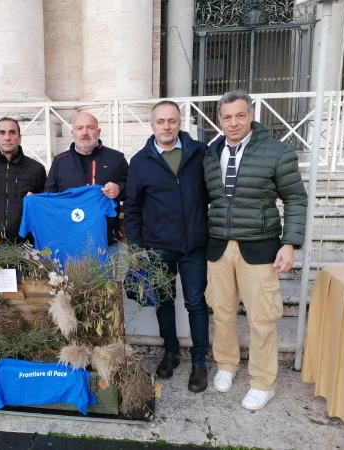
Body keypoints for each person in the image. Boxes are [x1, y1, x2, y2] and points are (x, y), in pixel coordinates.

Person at [203, 90, 307, 410]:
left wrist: (289, 243)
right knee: (222, 311)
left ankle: (263, 381)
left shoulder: (277, 152)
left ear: (251, 115)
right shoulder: (210, 153)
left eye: (239, 115)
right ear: (219, 120)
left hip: (260, 247)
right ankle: (226, 365)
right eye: (226, 117)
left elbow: (295, 198)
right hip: (219, 246)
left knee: (262, 316)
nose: (233, 122)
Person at [124, 100, 210, 393]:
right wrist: (135, 246)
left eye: (172, 121)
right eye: (161, 121)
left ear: (179, 123)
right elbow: (132, 207)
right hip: (158, 245)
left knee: (196, 302)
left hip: (195, 245)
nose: (166, 126)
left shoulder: (199, 153)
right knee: (164, 300)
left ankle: (199, 361)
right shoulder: (140, 161)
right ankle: (170, 352)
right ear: (152, 126)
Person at [45, 112, 128, 247]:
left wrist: (119, 189)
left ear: (98, 132)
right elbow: (50, 196)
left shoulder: (116, 158)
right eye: (79, 128)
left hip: (107, 240)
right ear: (73, 133)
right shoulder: (60, 162)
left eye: (90, 127)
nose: (85, 132)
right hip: (70, 239)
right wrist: (35, 198)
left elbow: (133, 189)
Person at [0, 117, 46, 243]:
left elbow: (44, 205)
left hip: (26, 242)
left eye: (12, 132)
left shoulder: (36, 168)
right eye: (2, 133)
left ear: (20, 137)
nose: (7, 137)